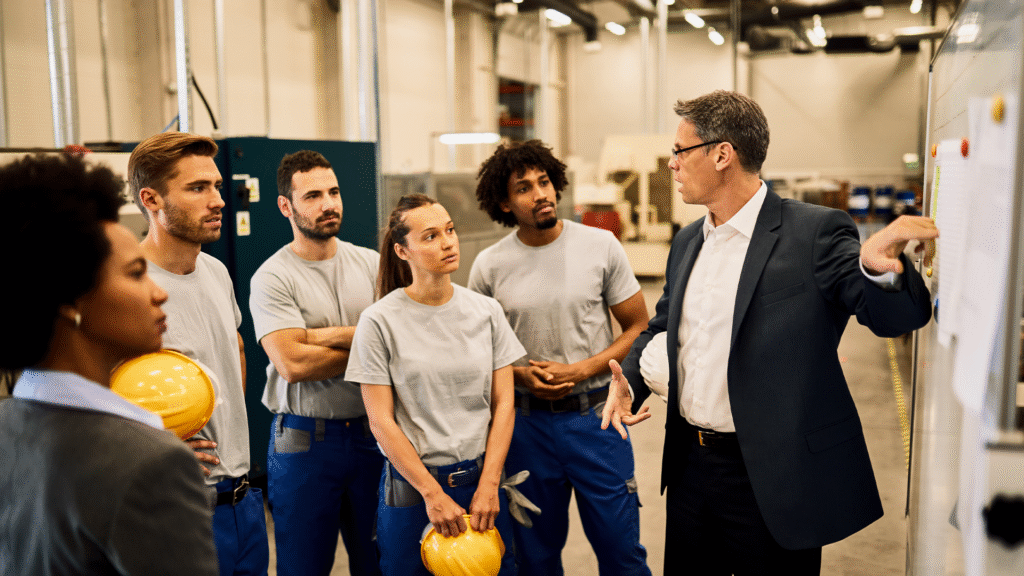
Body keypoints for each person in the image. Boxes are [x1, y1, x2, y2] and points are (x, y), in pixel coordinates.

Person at [601, 90, 938, 575]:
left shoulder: (813, 233)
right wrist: (629, 380)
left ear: (722, 154)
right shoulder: (688, 241)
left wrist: (879, 270)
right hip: (692, 471)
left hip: (774, 477)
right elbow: (663, 326)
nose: (671, 165)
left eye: (679, 151)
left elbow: (893, 320)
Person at [0, 153, 218, 575]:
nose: (159, 293)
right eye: (136, 273)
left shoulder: (9, 426)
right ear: (70, 300)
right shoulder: (149, 463)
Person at [468, 139, 652, 575]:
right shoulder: (489, 266)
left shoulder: (600, 245)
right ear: (504, 202)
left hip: (596, 420)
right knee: (535, 558)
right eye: (524, 188)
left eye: (545, 182)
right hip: (525, 428)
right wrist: (519, 376)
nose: (541, 194)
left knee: (622, 553)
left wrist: (585, 368)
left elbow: (638, 325)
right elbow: (478, 354)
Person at [344, 194, 525, 576]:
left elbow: (504, 403)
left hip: (481, 485)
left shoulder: (486, 311)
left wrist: (491, 481)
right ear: (402, 251)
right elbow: (381, 422)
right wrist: (431, 493)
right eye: (430, 236)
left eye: (450, 230)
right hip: (413, 489)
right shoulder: (379, 322)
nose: (448, 242)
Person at [129, 132, 269, 576]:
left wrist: (218, 413)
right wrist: (152, 449)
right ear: (151, 199)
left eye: (217, 186)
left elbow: (236, 347)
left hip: (244, 502)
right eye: (197, 188)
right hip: (178, 509)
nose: (218, 201)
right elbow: (89, 399)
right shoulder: (126, 288)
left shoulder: (216, 271)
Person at [249, 150, 384, 576]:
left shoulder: (373, 265)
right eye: (313, 196)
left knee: (380, 561)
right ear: (285, 206)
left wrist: (317, 336)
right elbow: (292, 364)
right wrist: (365, 338)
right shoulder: (272, 277)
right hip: (305, 442)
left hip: (373, 435)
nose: (329, 204)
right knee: (302, 566)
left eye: (334, 192)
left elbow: (398, 347)